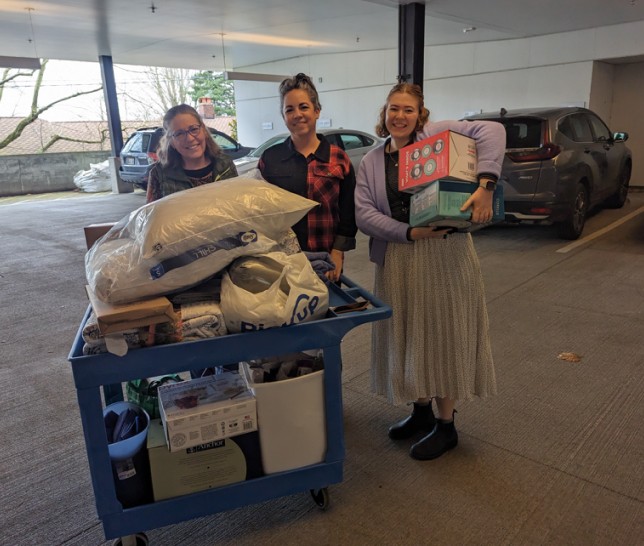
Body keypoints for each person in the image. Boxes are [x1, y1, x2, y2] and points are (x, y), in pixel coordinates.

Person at [354, 82, 506, 461]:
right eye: (393, 108)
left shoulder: (437, 136)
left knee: (444, 333)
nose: (399, 116)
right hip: (400, 255)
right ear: (384, 113)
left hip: (445, 252)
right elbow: (364, 214)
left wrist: (486, 184)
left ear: (420, 113)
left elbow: (494, 130)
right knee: (409, 333)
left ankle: (446, 424)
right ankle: (420, 412)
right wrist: (407, 232)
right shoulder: (372, 161)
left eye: (408, 109)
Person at [258, 73, 357, 282]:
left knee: (326, 311)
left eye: (303, 107)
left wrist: (337, 253)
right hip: (281, 262)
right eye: (289, 109)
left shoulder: (338, 158)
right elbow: (259, 213)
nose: (297, 114)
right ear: (283, 116)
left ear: (317, 111)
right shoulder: (270, 158)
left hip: (326, 262)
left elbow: (348, 212)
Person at [146, 104, 238, 203]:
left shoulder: (225, 164)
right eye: (179, 134)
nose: (189, 139)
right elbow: (153, 215)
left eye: (194, 129)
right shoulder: (159, 173)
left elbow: (238, 204)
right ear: (171, 142)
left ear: (204, 130)